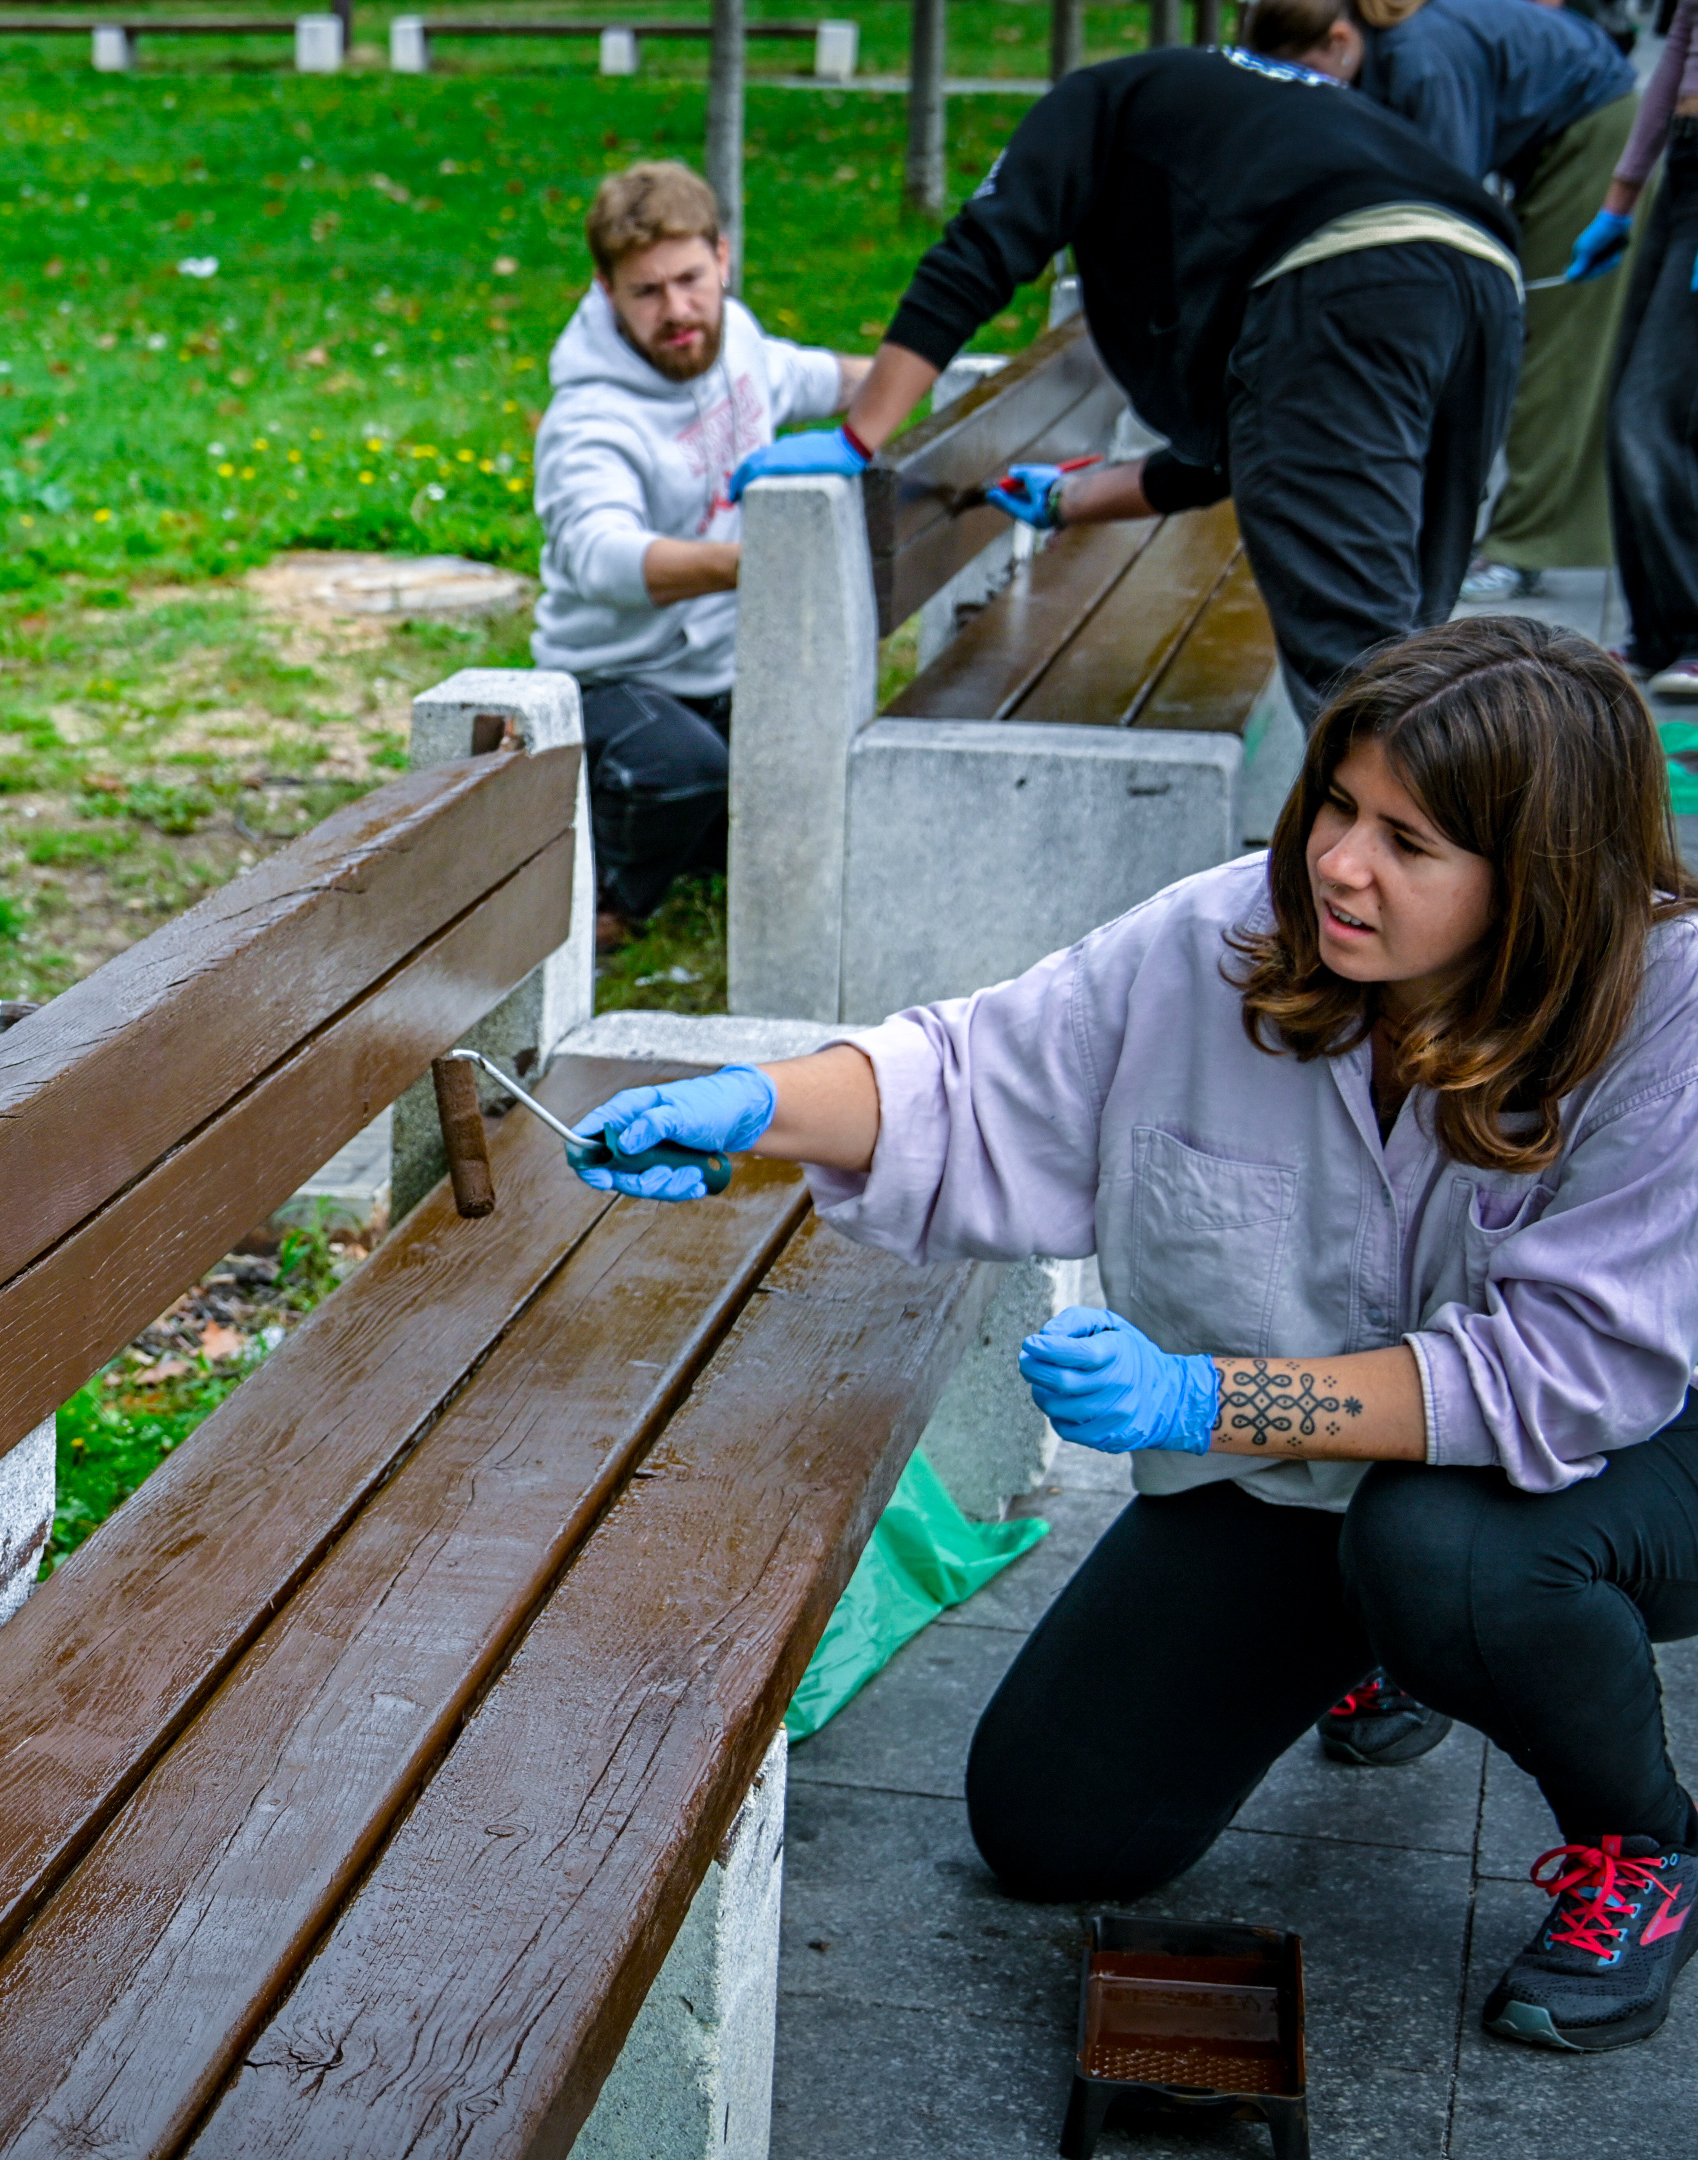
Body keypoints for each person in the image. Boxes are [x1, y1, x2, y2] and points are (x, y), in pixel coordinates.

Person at [572, 617, 1698, 2054]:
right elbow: (981, 1076)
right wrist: (753, 1109)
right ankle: (1373, 1637)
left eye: (1410, 844)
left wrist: (1200, 1398)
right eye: (1339, 807)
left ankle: (1642, 1841)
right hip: (1311, 1460)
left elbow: (1569, 1376)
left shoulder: (1666, 1007)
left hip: (1634, 1457)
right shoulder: (1235, 934)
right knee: (1052, 1825)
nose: (1342, 864)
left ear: (1539, 881)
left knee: (1446, 1554)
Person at [729, 45, 1524, 727]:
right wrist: (1075, 502)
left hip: (1345, 280)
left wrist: (856, 437)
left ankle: (1413, 883)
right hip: (1485, 277)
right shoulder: (1237, 134)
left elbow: (976, 255)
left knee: (1365, 682)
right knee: (1417, 643)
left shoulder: (1089, 103)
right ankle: (1449, 862)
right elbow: (1261, 442)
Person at [529, 162, 867, 949]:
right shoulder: (589, 420)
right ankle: (600, 907)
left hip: (726, 666)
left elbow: (815, 378)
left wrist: (928, 373)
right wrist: (761, 560)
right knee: (682, 770)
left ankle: (689, 833)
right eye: (646, 292)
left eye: (689, 279)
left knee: (820, 756)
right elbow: (603, 560)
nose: (677, 311)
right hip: (614, 675)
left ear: (723, 256)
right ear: (607, 290)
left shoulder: (736, 336)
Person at [1243, 0, 1643, 597]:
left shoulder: (1422, 60)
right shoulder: (1376, 46)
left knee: (1556, 354)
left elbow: (1441, 201)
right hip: (1545, 143)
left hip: (1594, 140)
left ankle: (1518, 550)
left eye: (1307, 72)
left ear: (1339, 40)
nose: (1306, 91)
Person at [1566, 0, 1698, 704]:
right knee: (1624, 400)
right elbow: (1679, 46)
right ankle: (1655, 632)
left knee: (1653, 415)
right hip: (1685, 159)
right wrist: (1621, 198)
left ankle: (1692, 632)